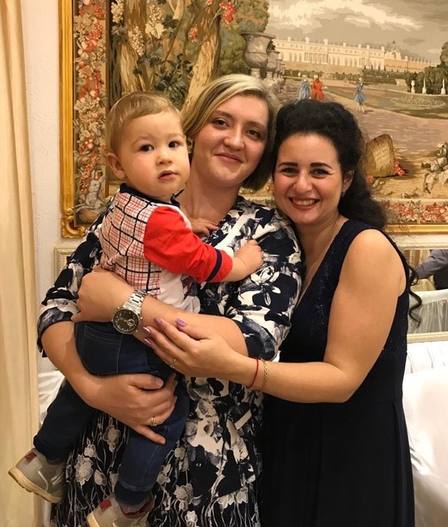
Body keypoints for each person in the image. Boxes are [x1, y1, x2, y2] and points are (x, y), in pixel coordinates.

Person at [35, 74, 302, 527]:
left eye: (254, 132)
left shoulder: (268, 235)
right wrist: (92, 388)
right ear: (192, 130)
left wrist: (123, 303)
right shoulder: (132, 208)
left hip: (207, 478)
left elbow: (249, 341)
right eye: (222, 122)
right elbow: (57, 307)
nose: (236, 140)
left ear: (263, 150)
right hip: (99, 460)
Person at [146, 99, 417, 526]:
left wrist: (233, 366)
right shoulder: (282, 242)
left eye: (319, 171)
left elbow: (342, 379)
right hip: (286, 439)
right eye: (289, 169)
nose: (302, 185)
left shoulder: (365, 248)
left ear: (346, 179)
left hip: (351, 455)